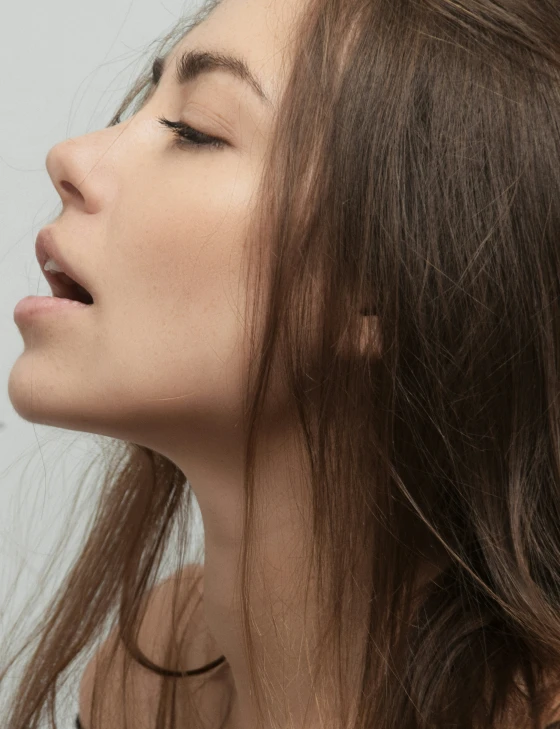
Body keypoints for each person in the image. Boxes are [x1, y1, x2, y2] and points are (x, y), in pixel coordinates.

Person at [5, 0, 560, 726]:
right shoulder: (147, 682)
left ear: (382, 290)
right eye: (144, 103)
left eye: (192, 130)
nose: (70, 157)